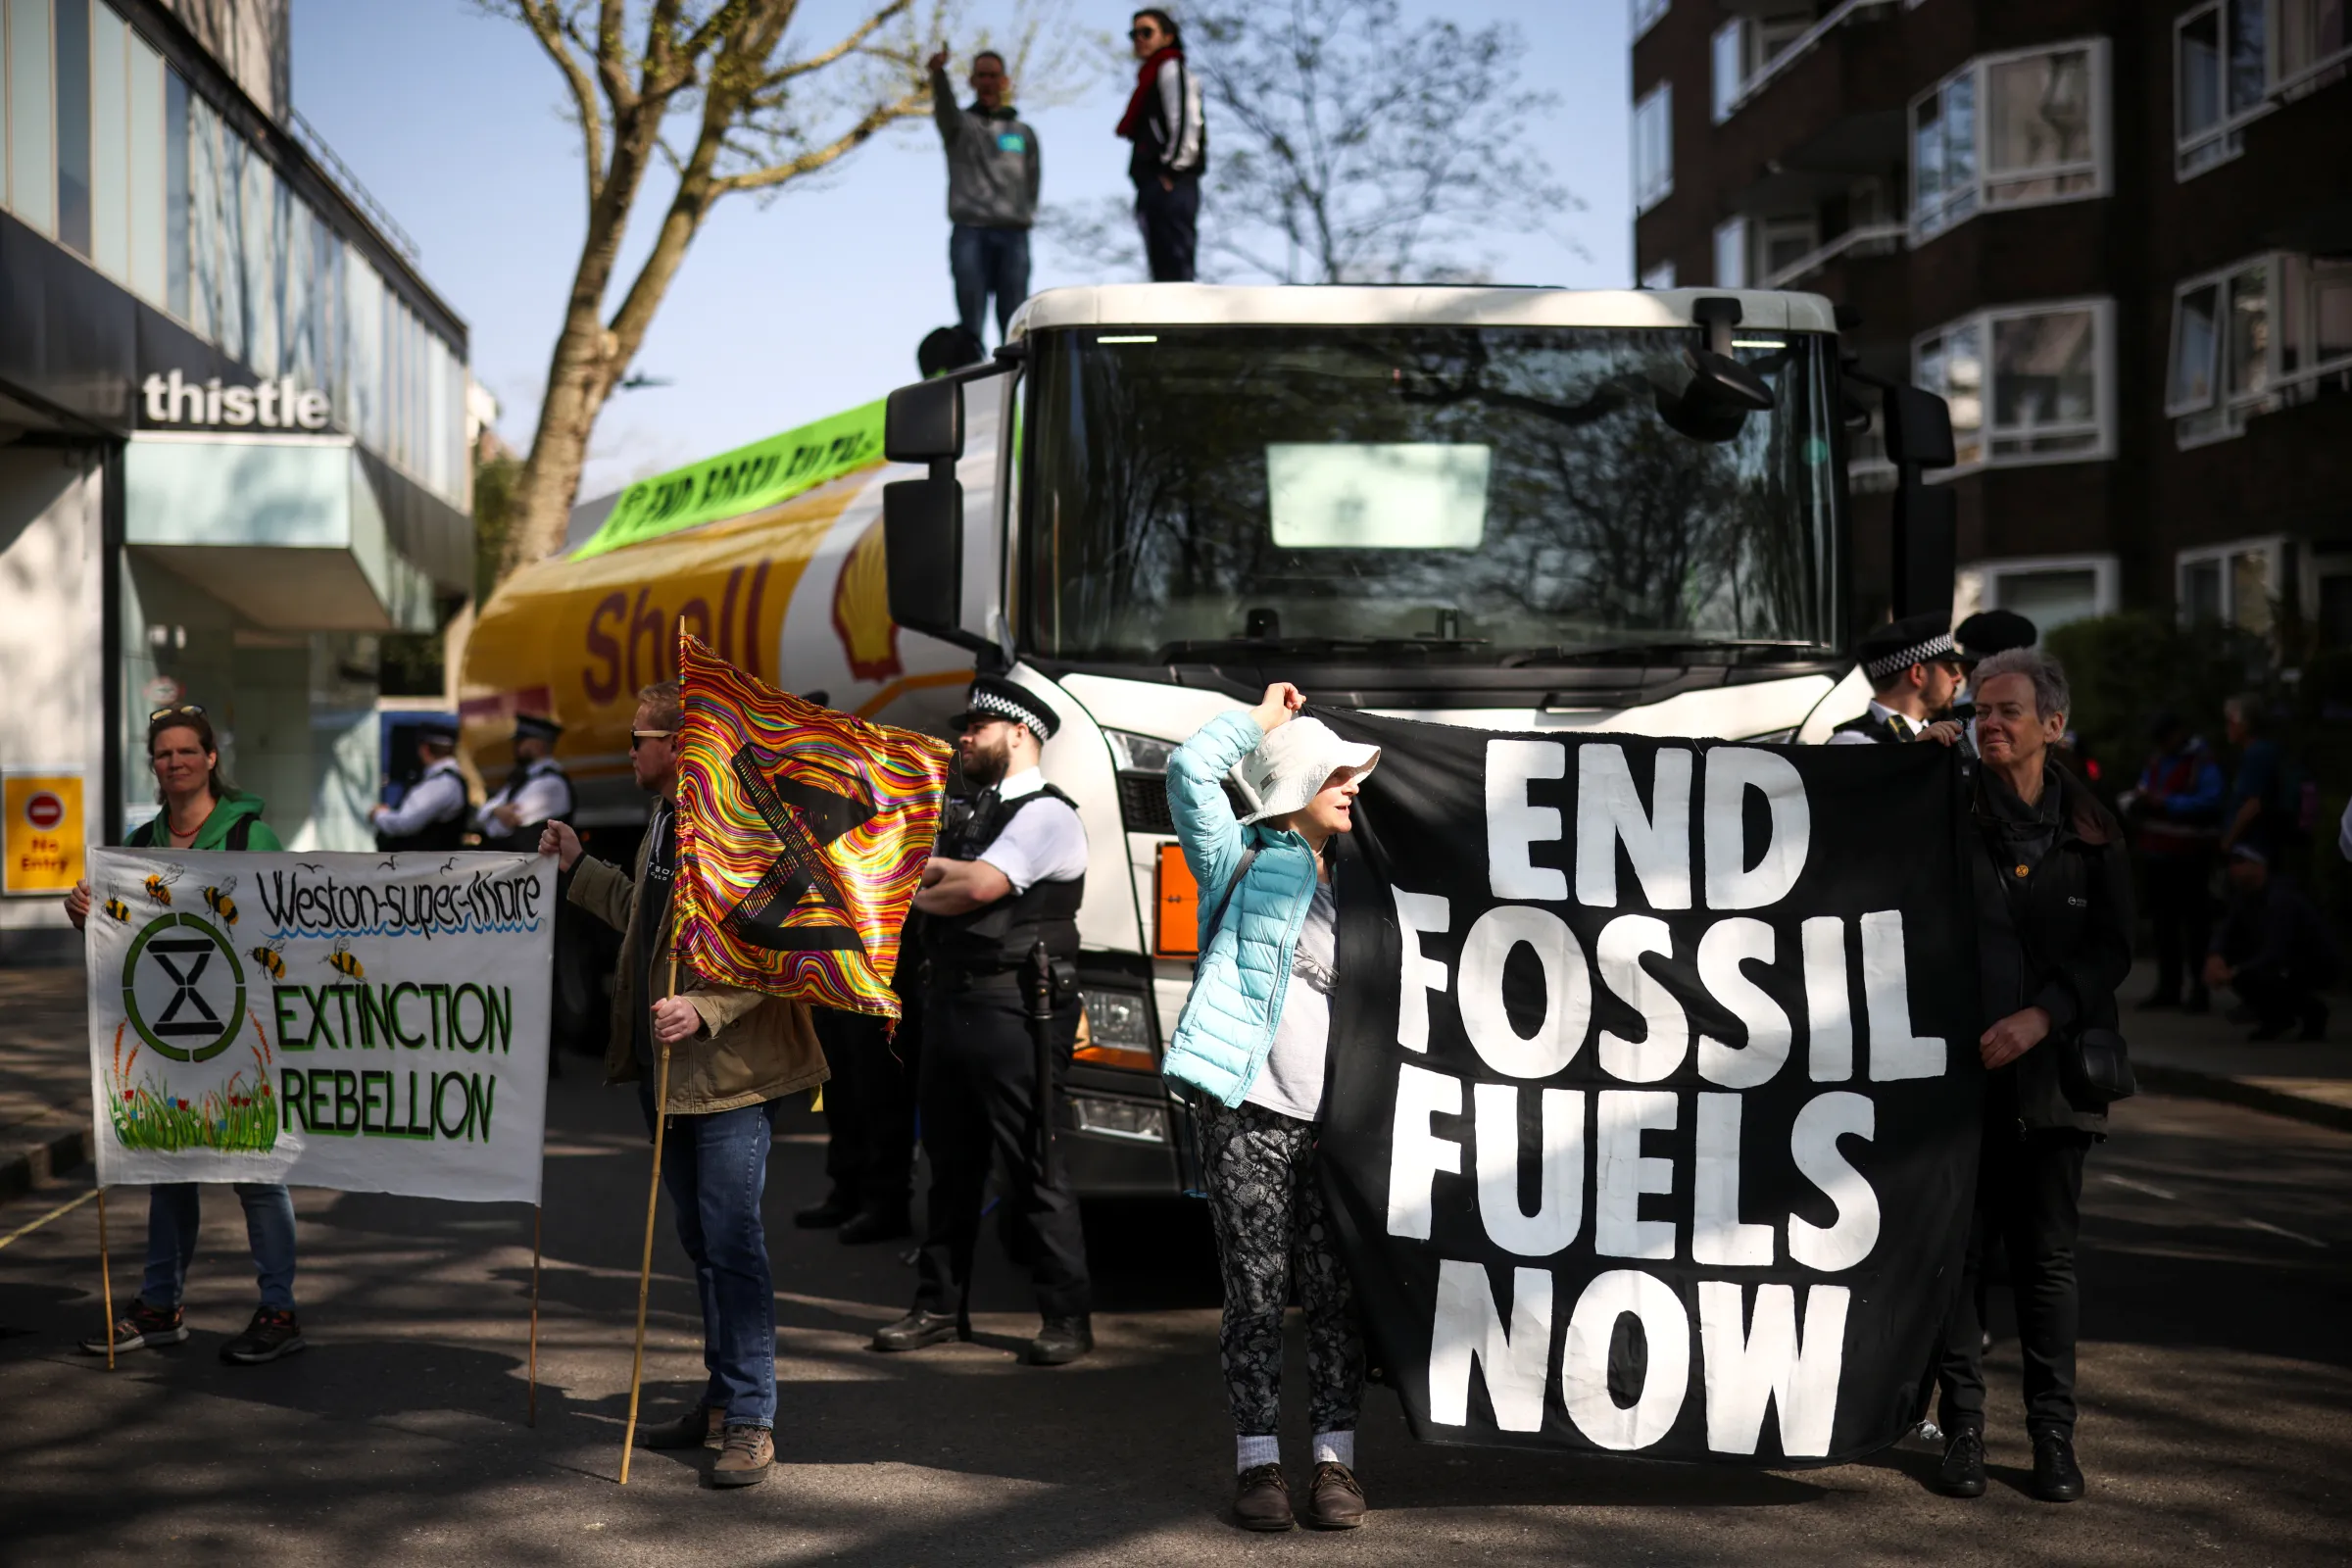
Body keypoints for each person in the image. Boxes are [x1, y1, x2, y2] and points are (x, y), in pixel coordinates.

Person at [543, 681, 828, 1488]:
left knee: (732, 1245)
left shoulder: (736, 819)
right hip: (668, 1077)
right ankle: (718, 1402)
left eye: (640, 738)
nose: (629, 751)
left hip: (733, 1076)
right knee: (704, 1244)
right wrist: (577, 867)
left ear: (678, 744)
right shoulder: (666, 818)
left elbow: (780, 939)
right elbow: (646, 919)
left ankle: (750, 1420)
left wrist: (705, 1009)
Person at [1161, 683, 1380, 1532]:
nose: (1355, 785)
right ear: (1298, 782)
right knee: (1254, 1294)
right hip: (1248, 1115)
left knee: (1335, 1298)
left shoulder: (1372, 881)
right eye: (1339, 774)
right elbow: (1189, 768)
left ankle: (1335, 1466)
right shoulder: (1238, 859)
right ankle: (1259, 1468)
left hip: (1344, 1128)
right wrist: (1262, 719)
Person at [1935, 648, 2130, 1505]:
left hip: (2055, 1080)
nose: (1990, 724)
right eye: (1980, 711)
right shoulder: (1943, 807)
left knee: (2047, 1264)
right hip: (1958, 1083)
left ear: (2053, 724)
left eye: (2008, 711)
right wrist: (1915, 754)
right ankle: (1965, 1434)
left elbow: (2115, 949)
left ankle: (2054, 1439)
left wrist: (2042, 1016)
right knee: (1961, 1260)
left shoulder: (2093, 827)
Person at [68, 705, 303, 1366]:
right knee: (167, 1167)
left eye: (185, 752)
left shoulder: (252, 840)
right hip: (165, 1040)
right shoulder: (136, 846)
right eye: (163, 755)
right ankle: (159, 1305)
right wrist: (84, 917)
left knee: (258, 1171)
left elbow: (287, 929)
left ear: (211, 759)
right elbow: (121, 939)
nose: (174, 763)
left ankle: (279, 1311)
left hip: (242, 1037)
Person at [870, 676, 1094, 1366]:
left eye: (978, 727)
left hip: (1018, 1009)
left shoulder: (1048, 815)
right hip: (954, 1002)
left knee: (1034, 1165)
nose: (963, 737)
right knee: (950, 1164)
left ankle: (1065, 1316)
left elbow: (979, 887)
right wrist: (924, 874)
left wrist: (899, 888)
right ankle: (938, 1305)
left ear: (1019, 733)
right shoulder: (970, 811)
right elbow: (936, 872)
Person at [926, 45, 1041, 346]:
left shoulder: (1023, 132)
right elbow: (945, 107)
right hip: (970, 233)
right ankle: (973, 384)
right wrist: (938, 76)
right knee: (971, 325)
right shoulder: (959, 127)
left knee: (1015, 324)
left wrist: (1023, 215)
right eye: (981, 75)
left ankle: (1015, 388)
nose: (987, 81)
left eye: (993, 75)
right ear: (972, 82)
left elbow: (1033, 180)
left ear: (1004, 81)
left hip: (1013, 235)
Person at [796, 998, 919, 1245]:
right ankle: (848, 1192)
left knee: (879, 1092)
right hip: (833, 977)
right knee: (839, 1092)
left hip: (876, 981)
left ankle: (886, 1204)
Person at [2126, 712, 2224, 1012]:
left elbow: (2211, 799)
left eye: (2165, 738)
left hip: (2190, 855)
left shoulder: (2201, 762)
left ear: (2179, 733)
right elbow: (2145, 788)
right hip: (2158, 854)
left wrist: (2166, 803)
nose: (2162, 744)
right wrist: (2139, 800)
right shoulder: (2158, 760)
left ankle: (2199, 990)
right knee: (2163, 925)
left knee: (2195, 925)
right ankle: (2168, 988)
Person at [2204, 844, 2336, 1041]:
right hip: (2277, 957)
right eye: (2231, 862)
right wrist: (2215, 958)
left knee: (2256, 974)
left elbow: (2278, 951)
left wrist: (2235, 972)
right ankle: (2275, 1017)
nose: (2233, 868)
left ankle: (2310, 1010)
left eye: (2240, 862)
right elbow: (2226, 931)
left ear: (2259, 866)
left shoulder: (2281, 898)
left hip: (2310, 963)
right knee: (2236, 964)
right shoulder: (2243, 896)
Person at [1118, 9, 1205, 282]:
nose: (1139, 39)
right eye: (1134, 34)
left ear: (1168, 37)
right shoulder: (1148, 77)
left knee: (1176, 264)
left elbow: (1186, 122)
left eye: (1147, 32)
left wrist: (1172, 171)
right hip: (1152, 183)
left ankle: (1182, 323)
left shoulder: (1171, 69)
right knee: (1160, 267)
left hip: (1171, 182)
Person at [1826, 613, 1968, 745]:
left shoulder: (1945, 735)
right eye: (1949, 667)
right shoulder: (1853, 742)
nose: (1958, 676)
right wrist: (1916, 752)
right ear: (1917, 674)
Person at [475, 713, 572, 853]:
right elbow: (482, 813)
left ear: (538, 744)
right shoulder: (524, 777)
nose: (516, 747)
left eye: (521, 741)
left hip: (544, 870)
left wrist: (492, 812)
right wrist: (495, 810)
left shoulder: (550, 783)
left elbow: (498, 828)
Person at [370, 719, 469, 852]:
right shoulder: (446, 780)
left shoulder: (441, 784)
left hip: (424, 867)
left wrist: (379, 815)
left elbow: (405, 823)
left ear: (424, 749)